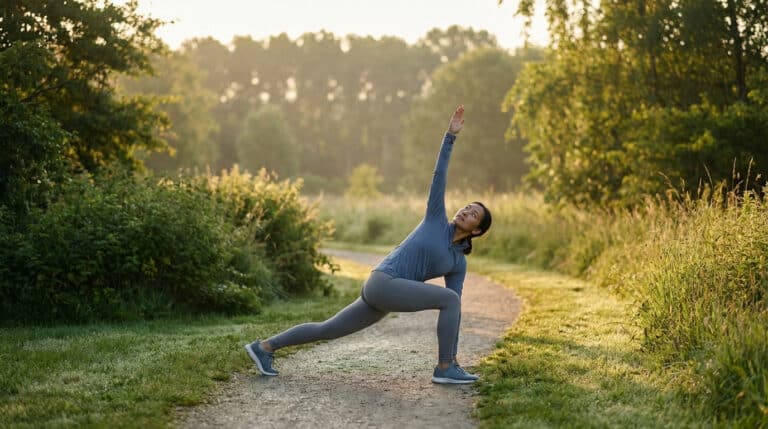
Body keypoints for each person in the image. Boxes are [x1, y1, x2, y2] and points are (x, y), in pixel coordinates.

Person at [244, 105, 492, 384]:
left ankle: (263, 347)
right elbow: (439, 177)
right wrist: (450, 136)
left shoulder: (458, 262)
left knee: (329, 329)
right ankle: (445, 368)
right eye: (466, 207)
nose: (465, 211)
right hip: (383, 283)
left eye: (473, 214)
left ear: (478, 230)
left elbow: (454, 311)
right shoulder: (436, 220)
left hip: (383, 296)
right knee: (449, 299)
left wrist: (454, 344)